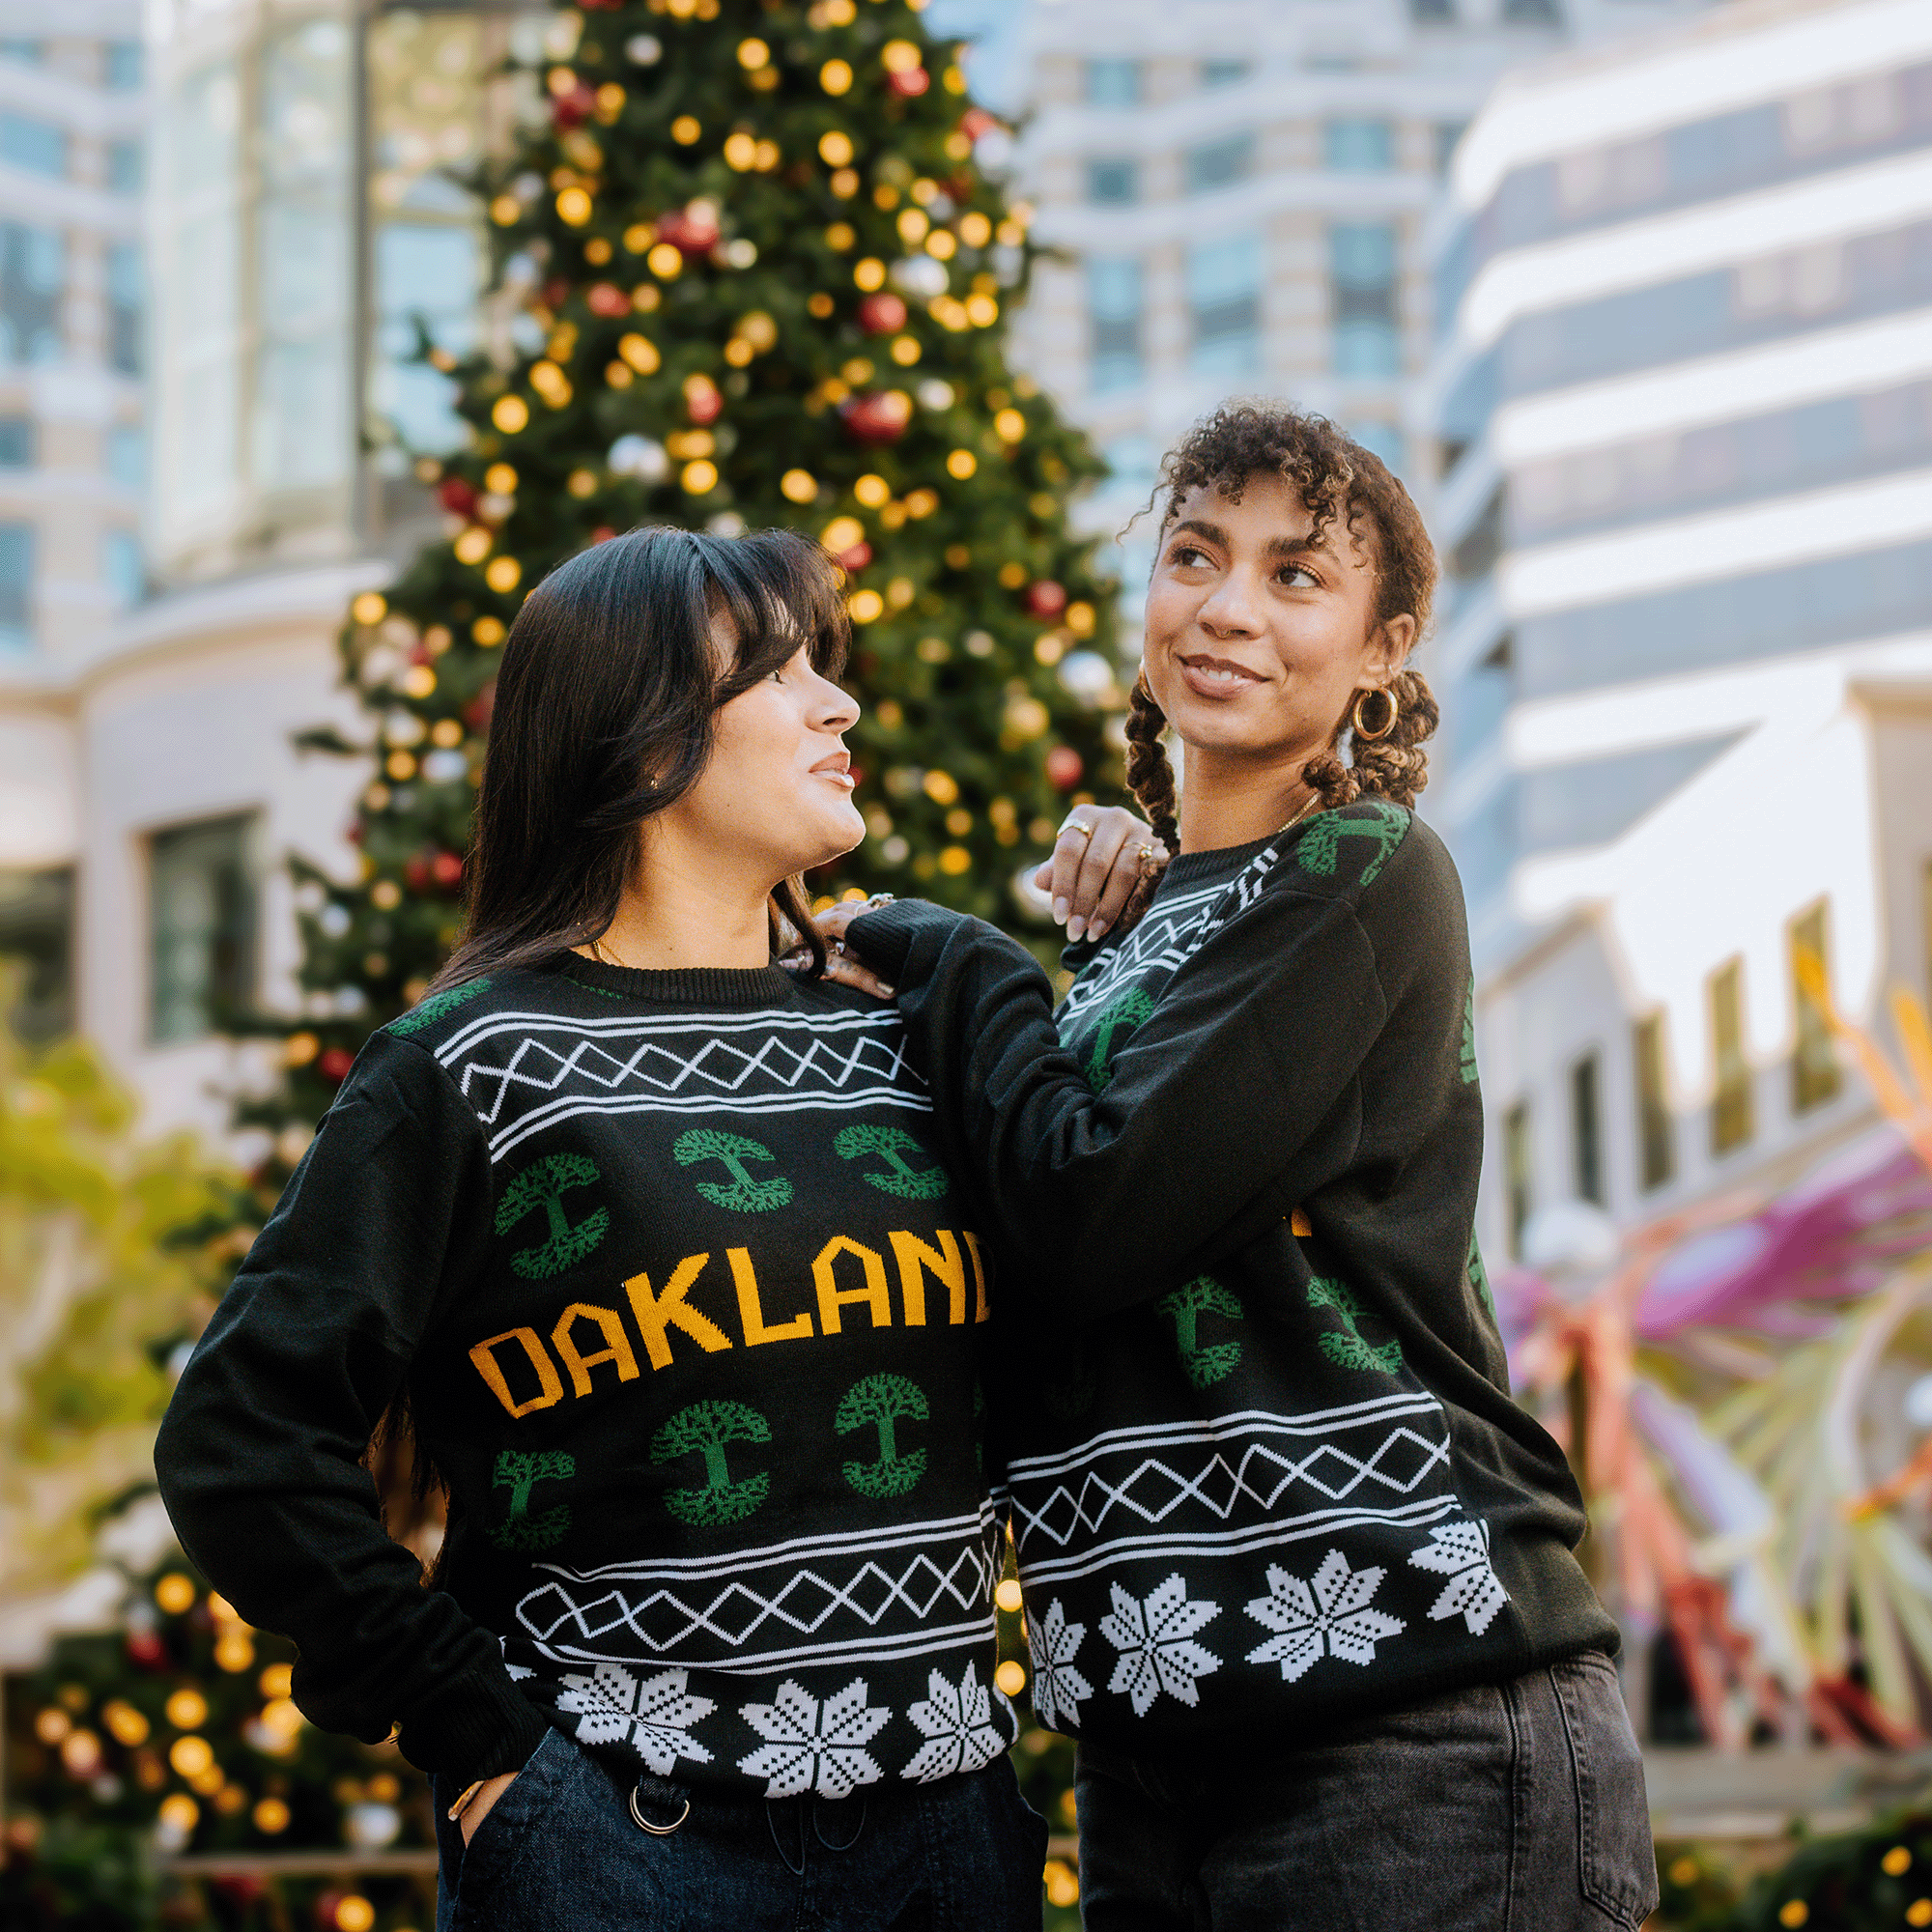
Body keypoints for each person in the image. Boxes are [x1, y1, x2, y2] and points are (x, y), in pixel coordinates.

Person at [155, 526, 1106, 1931]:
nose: (838, 706)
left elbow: (1099, 1264)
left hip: (948, 1843)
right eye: (781, 674)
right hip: (626, 1850)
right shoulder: (475, 1068)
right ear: (644, 734)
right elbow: (239, 1439)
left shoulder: (905, 1035)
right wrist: (481, 1744)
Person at [820, 406, 1660, 1932]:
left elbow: (1092, 1211)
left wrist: (954, 956)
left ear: (1385, 649)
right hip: (1156, 1730)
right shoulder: (1130, 941)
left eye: (1295, 579)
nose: (1225, 607)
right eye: (1196, 555)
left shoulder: (1366, 872)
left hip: (1414, 1712)